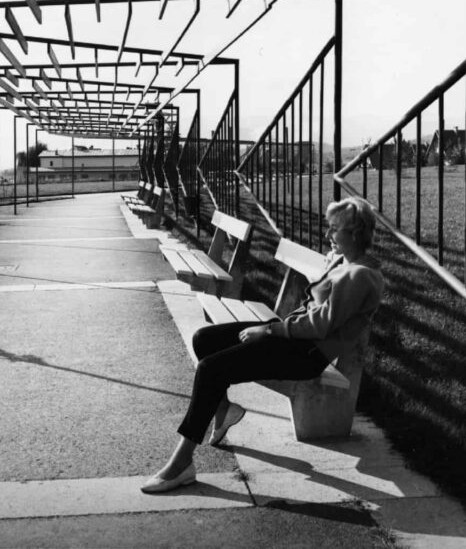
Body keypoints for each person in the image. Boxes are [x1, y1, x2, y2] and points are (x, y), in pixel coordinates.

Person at [141, 196, 385, 494]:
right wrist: (274, 329)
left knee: (210, 369)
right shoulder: (344, 262)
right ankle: (223, 409)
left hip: (307, 355)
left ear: (355, 233)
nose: (327, 234)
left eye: (335, 229)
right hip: (295, 339)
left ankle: (182, 463)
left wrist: (269, 330)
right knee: (205, 339)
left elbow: (320, 325)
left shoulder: (361, 276)